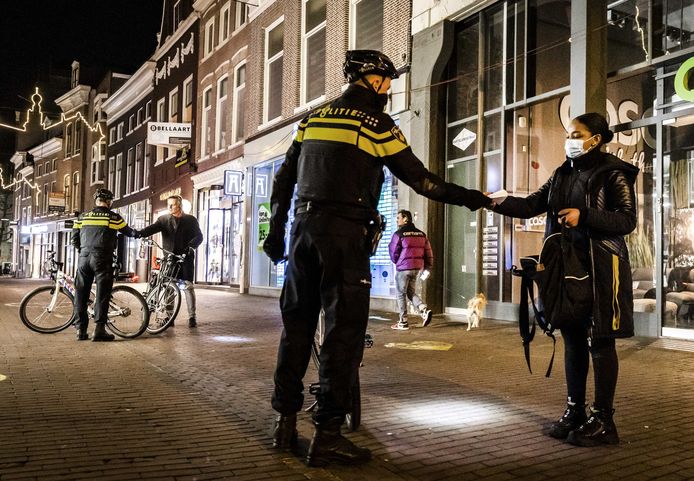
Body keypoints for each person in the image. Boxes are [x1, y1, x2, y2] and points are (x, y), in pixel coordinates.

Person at [263, 49, 492, 466]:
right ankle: (327, 436)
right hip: (345, 236)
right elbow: (422, 180)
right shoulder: (376, 123)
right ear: (375, 81)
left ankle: (283, 424)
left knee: (295, 328)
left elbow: (283, 180)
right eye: (387, 81)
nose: (389, 88)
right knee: (343, 334)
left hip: (302, 232)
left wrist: (276, 233)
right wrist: (475, 199)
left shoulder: (313, 119)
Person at [489, 112, 638, 447]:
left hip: (602, 266)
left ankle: (604, 420)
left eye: (576, 133)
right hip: (566, 265)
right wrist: (494, 203)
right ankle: (575, 411)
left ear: (595, 139)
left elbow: (627, 220)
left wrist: (583, 215)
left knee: (600, 340)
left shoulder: (612, 173)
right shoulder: (561, 173)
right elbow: (531, 205)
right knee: (571, 335)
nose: (569, 139)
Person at [71, 188, 138, 342]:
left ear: (96, 201)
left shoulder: (82, 217)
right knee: (102, 294)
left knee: (81, 294)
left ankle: (80, 331)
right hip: (102, 258)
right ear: (109, 202)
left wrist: (83, 252)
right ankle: (99, 330)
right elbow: (129, 232)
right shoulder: (113, 217)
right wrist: (140, 234)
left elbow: (74, 239)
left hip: (84, 258)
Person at [137, 195, 203, 328]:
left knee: (188, 287)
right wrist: (138, 233)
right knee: (169, 287)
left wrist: (191, 247)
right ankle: (169, 316)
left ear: (180, 205)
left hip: (185, 259)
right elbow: (152, 228)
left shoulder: (190, 220)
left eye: (172, 204)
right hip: (170, 259)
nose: (169, 207)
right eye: (168, 204)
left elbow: (199, 236)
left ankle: (192, 317)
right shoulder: (163, 219)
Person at [388, 209, 433, 330]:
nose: (397, 220)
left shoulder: (399, 234)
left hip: (403, 268)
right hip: (416, 268)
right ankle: (423, 309)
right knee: (410, 292)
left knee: (400, 294)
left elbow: (393, 252)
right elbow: (428, 252)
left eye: (399, 218)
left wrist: (397, 262)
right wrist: (427, 267)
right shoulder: (421, 234)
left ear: (405, 219)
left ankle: (403, 322)